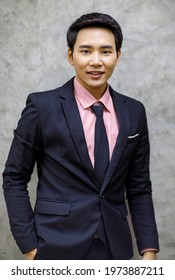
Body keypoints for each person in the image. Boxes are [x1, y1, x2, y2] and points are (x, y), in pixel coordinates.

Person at [2, 12, 159, 260]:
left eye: (106, 52)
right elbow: (14, 176)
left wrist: (149, 251)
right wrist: (30, 247)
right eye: (85, 51)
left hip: (114, 248)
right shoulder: (42, 107)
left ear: (118, 57)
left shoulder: (134, 111)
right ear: (70, 56)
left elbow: (139, 188)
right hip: (54, 246)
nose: (96, 61)